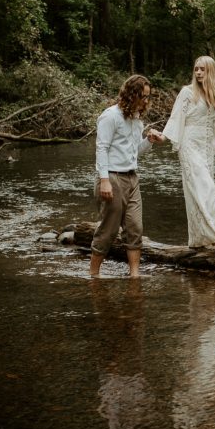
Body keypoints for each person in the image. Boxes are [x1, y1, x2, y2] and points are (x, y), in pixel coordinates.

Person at [159, 55, 215, 248]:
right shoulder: (187, 92)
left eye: (202, 69)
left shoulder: (213, 94)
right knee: (204, 188)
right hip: (189, 144)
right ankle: (214, 235)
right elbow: (176, 117)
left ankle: (197, 240)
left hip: (206, 148)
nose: (199, 72)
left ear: (211, 71)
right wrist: (164, 137)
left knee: (202, 191)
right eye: (196, 69)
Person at [90, 74, 162, 277]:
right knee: (108, 231)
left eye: (148, 97)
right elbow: (101, 148)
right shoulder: (110, 116)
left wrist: (148, 140)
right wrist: (104, 181)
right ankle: (93, 275)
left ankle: (135, 276)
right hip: (111, 178)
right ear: (131, 95)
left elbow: (133, 152)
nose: (146, 101)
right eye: (143, 96)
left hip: (132, 179)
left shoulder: (137, 120)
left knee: (135, 227)